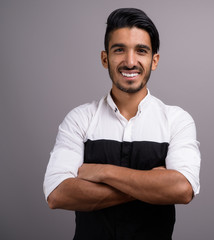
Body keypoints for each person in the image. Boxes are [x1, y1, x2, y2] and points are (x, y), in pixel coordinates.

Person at [43, 8, 201, 240]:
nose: (130, 61)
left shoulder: (176, 120)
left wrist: (101, 171)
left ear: (154, 60)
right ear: (105, 58)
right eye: (119, 50)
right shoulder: (80, 119)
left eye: (141, 51)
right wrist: (152, 184)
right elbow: (57, 195)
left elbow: (182, 190)